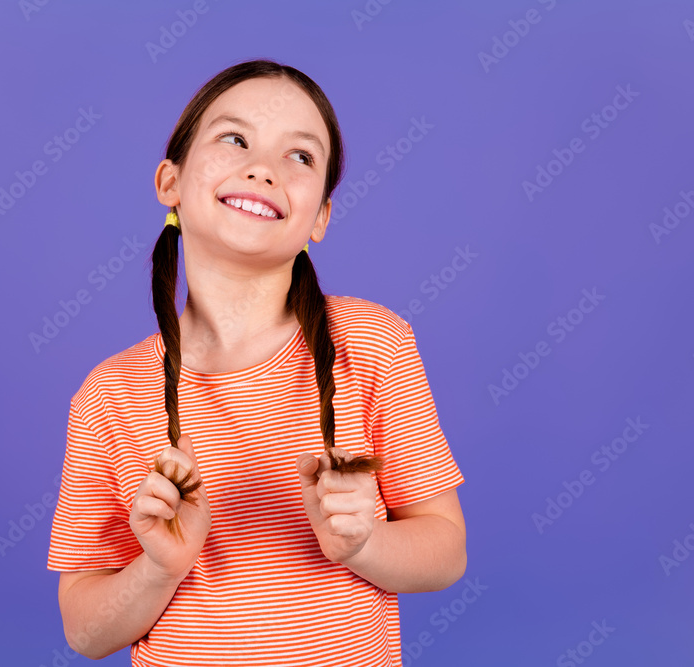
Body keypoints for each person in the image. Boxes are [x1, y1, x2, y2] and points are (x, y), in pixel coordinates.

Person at [46, 58, 467, 667]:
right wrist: (159, 568)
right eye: (234, 139)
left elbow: (446, 549)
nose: (263, 168)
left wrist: (364, 543)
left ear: (319, 216)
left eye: (300, 157)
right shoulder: (110, 394)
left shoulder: (375, 344)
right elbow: (85, 633)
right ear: (170, 181)